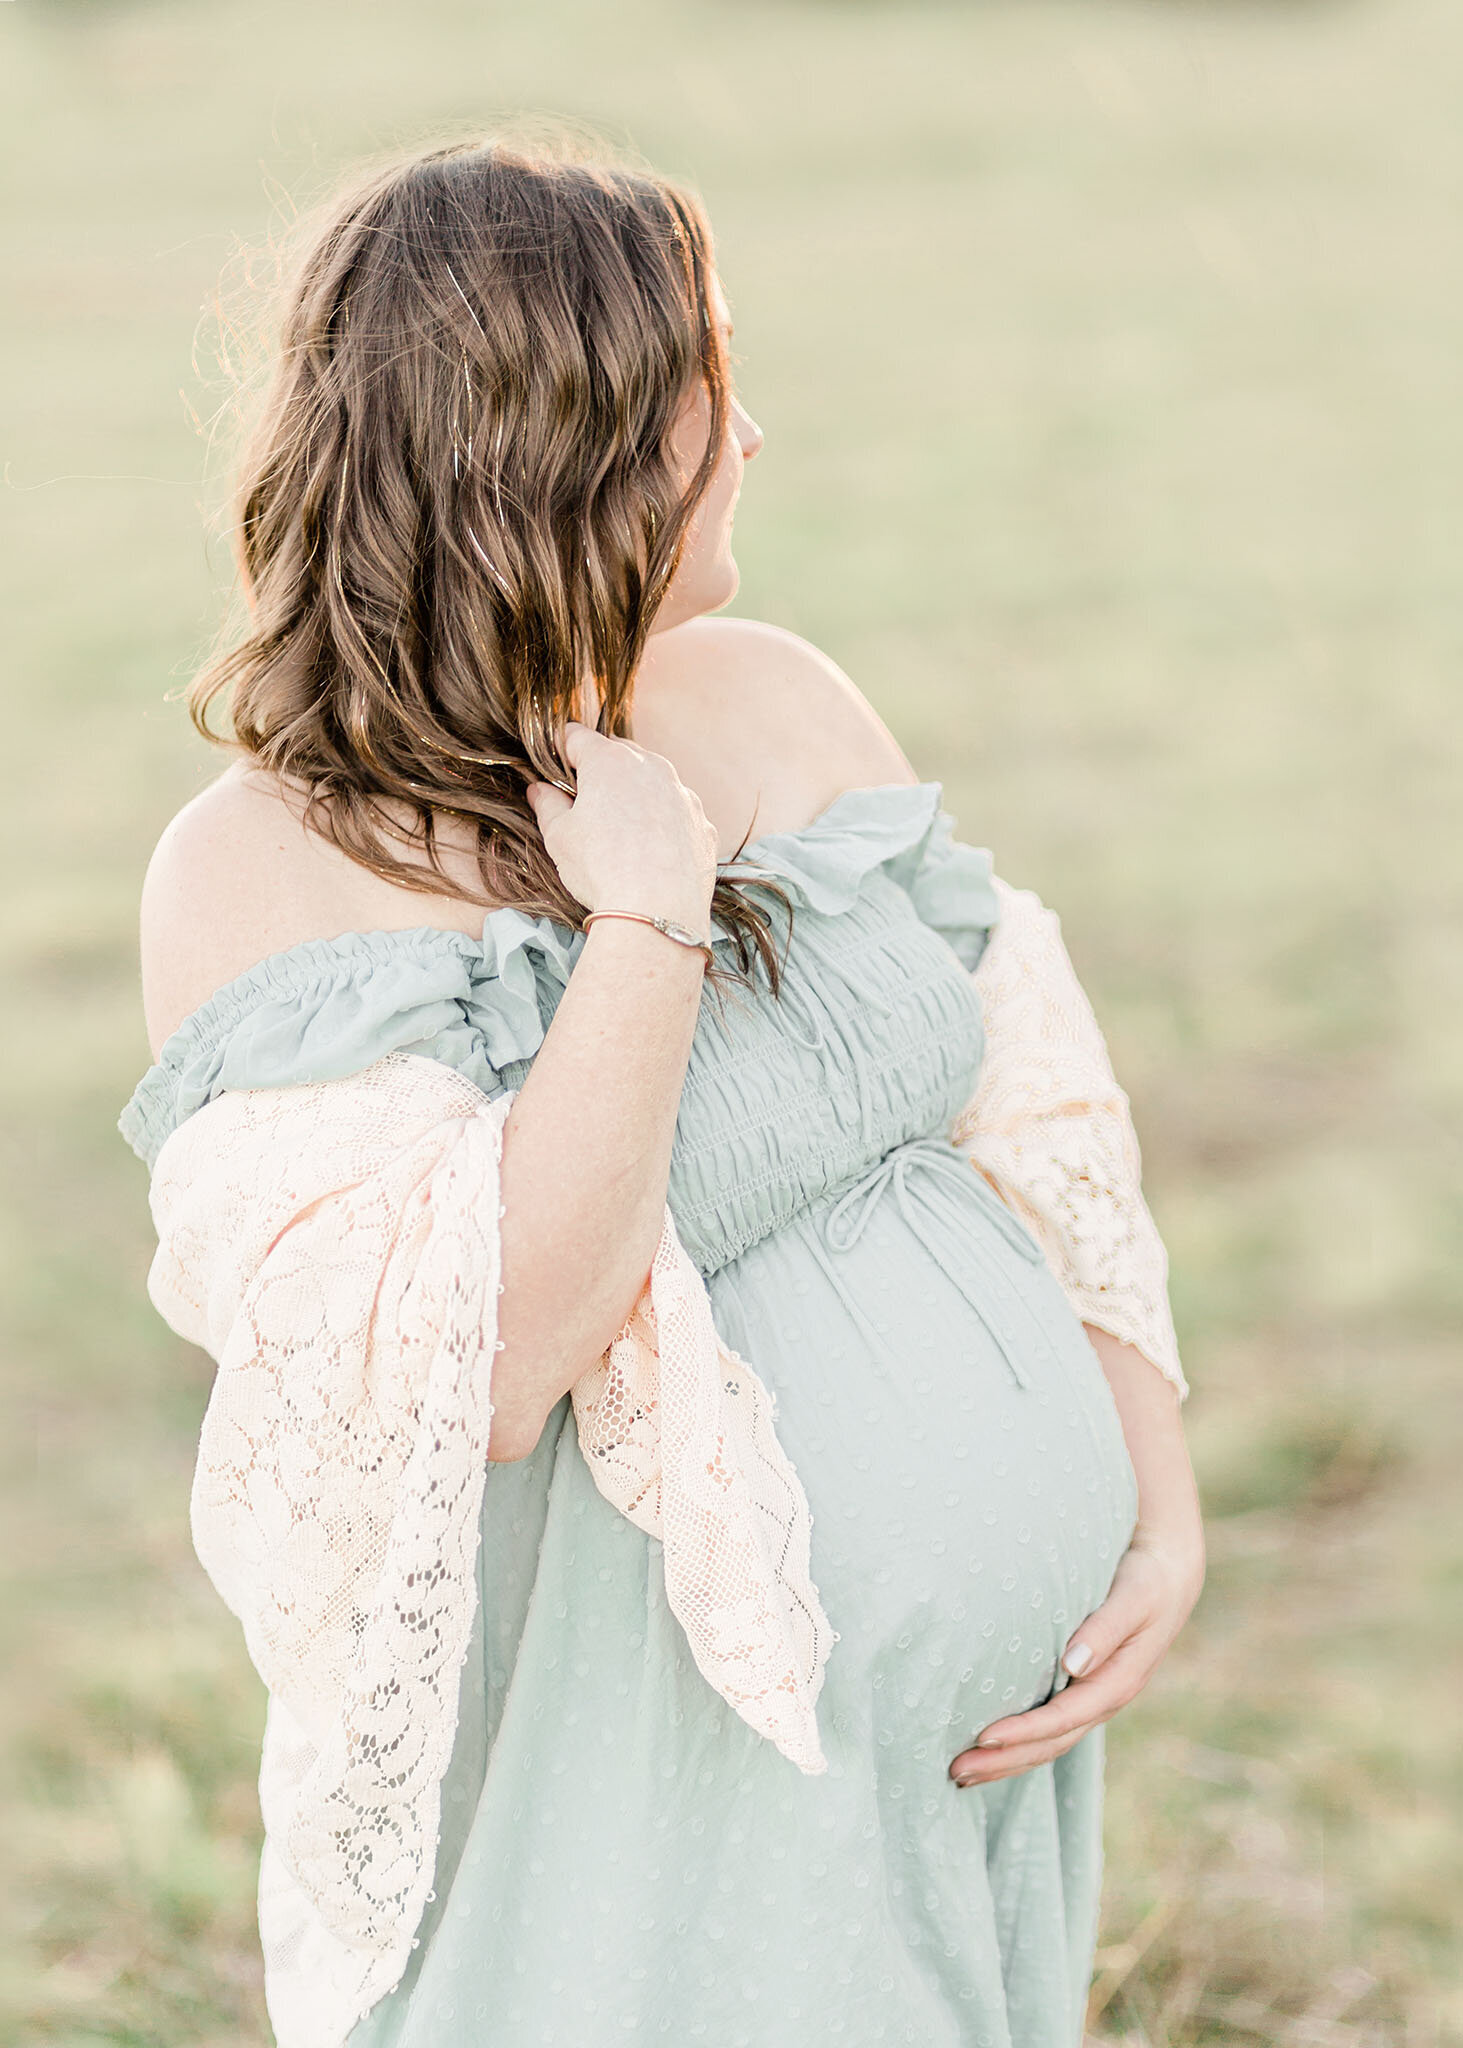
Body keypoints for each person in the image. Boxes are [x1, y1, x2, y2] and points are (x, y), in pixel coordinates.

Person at [119, 137, 1204, 2048]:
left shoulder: (770, 687)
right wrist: (643, 924)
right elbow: (500, 1360)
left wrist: (1153, 1491)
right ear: (562, 442)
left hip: (958, 1756)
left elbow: (1034, 1090)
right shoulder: (256, 869)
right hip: (639, 1785)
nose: (757, 432)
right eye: (711, 382)